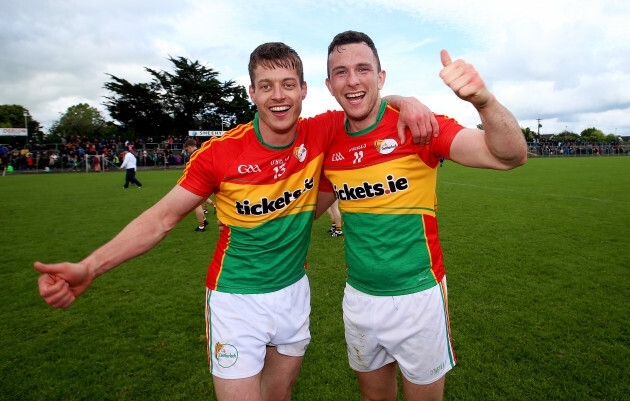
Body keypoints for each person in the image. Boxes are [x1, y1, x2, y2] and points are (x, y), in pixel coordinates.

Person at [34, 42, 433, 401]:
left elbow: (361, 99)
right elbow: (161, 219)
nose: (278, 96)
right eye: (266, 85)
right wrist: (90, 266)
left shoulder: (321, 130)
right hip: (235, 299)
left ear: (305, 89)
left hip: (293, 294)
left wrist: (407, 100)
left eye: (288, 84)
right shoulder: (218, 155)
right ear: (252, 92)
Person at [316, 31, 527, 401]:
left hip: (419, 297)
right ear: (329, 85)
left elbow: (510, 155)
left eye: (363, 69)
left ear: (380, 78)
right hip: (359, 298)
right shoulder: (329, 137)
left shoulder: (418, 125)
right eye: (341, 72)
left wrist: (483, 100)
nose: (352, 80)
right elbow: (303, 210)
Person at [182, 139, 209, 232]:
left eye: (187, 149)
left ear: (189, 147)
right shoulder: (202, 151)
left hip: (198, 182)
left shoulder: (191, 156)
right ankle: (204, 220)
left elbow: (192, 171)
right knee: (199, 203)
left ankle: (202, 226)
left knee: (196, 205)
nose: (187, 151)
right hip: (207, 180)